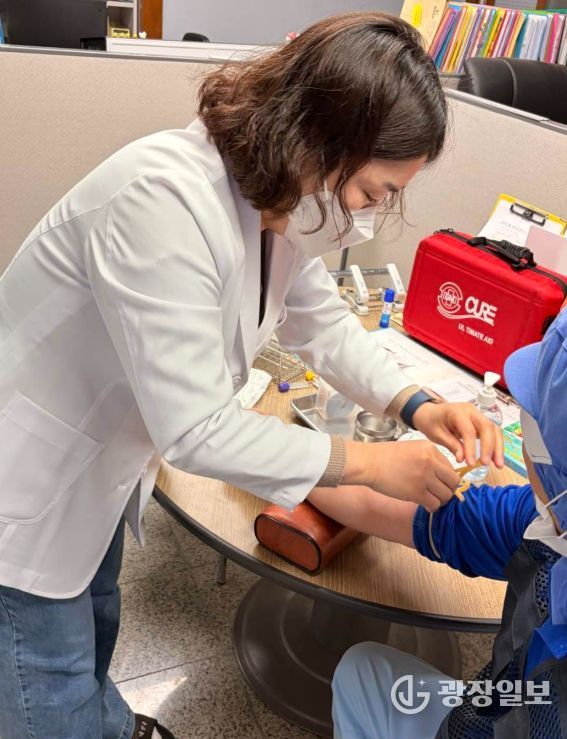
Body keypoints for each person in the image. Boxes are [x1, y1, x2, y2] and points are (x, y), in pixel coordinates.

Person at [0, 12, 503, 739]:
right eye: (371, 192)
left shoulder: (273, 206)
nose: (368, 216)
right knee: (42, 674)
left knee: (95, 613)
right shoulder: (161, 200)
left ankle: (104, 722)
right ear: (319, 141)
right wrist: (371, 463)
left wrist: (416, 403)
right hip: (26, 484)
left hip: (97, 465)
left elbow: (322, 323)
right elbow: (198, 431)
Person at [325, 304, 567, 738]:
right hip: (501, 708)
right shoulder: (542, 520)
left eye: (531, 414)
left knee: (364, 676)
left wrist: (278, 456)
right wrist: (311, 464)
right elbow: (383, 509)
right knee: (365, 670)